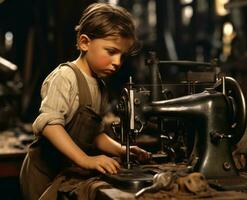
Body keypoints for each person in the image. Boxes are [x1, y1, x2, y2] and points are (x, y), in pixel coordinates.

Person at [20, 3, 151, 200]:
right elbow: (50, 125)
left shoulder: (99, 85)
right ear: (84, 42)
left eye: (122, 56)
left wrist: (121, 149)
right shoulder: (66, 76)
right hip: (44, 175)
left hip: (67, 172)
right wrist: (85, 159)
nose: (117, 62)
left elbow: (93, 134)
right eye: (111, 51)